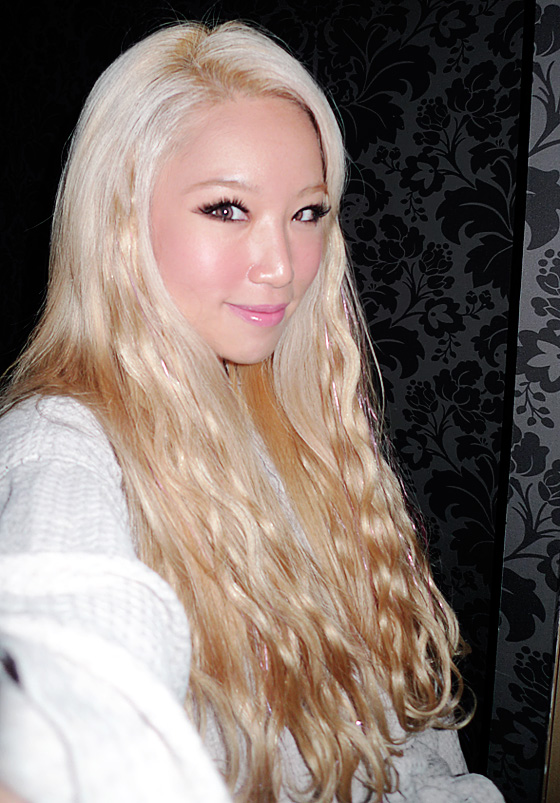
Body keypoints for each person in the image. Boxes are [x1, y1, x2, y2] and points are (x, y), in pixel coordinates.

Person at [0, 20, 504, 803]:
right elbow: (68, 706)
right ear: (118, 220)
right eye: (228, 208)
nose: (281, 266)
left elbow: (415, 758)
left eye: (308, 213)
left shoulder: (305, 429)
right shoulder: (62, 448)